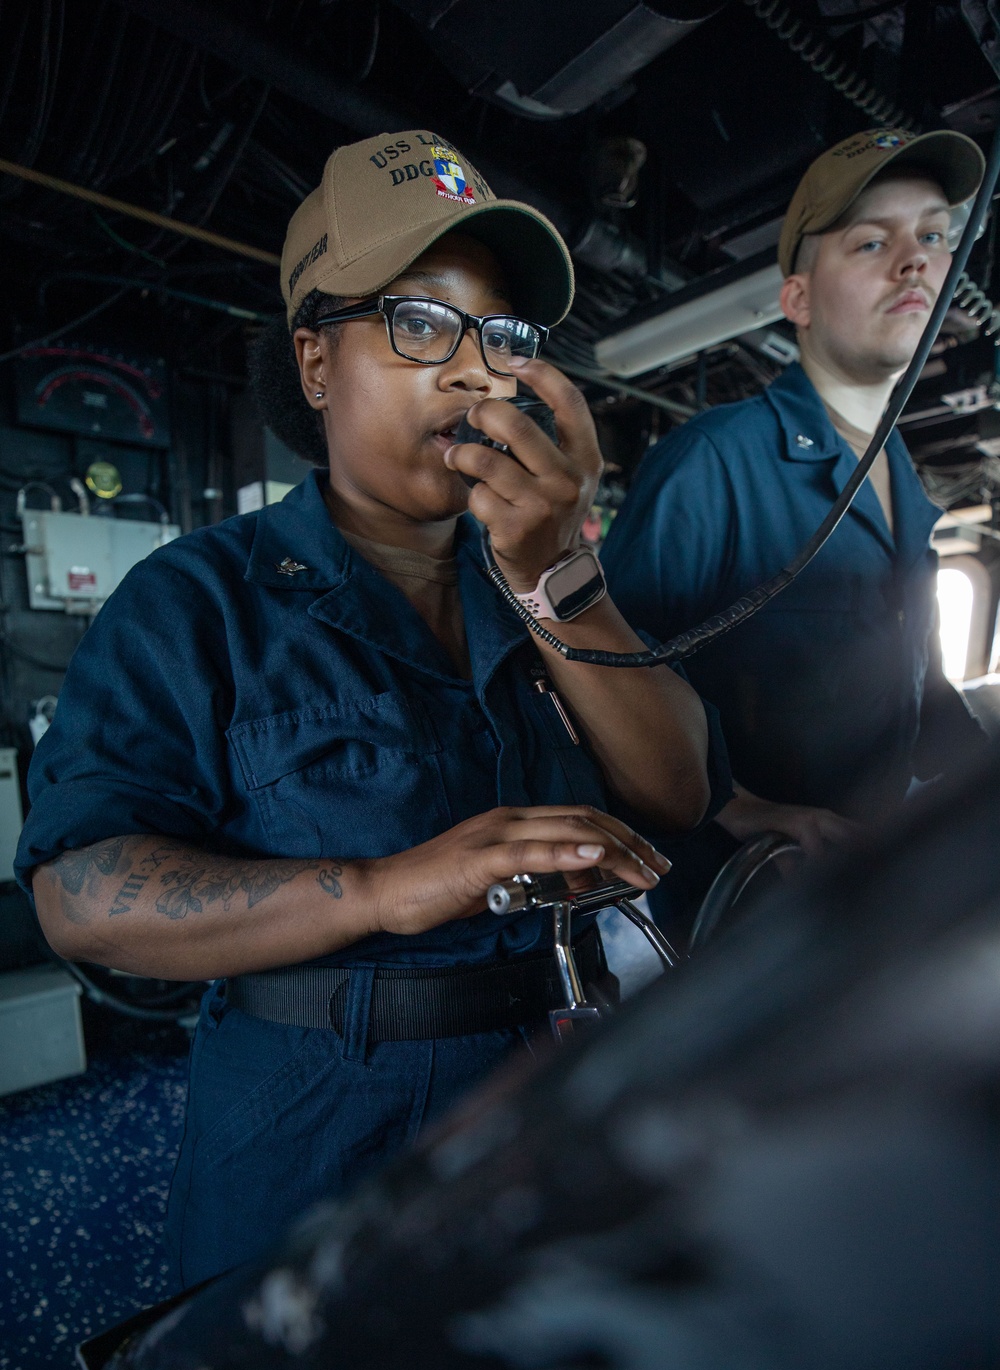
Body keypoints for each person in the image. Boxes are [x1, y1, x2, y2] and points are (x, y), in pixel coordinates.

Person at [15, 130, 729, 1287]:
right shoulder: (196, 602)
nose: (473, 371)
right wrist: (388, 888)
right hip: (318, 1128)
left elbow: (676, 791)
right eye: (420, 322)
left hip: (556, 1094)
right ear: (313, 362)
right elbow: (80, 898)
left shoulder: (545, 580)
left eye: (500, 335)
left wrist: (562, 574)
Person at [600, 126, 988, 940]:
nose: (914, 260)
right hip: (743, 925)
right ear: (799, 300)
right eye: (871, 241)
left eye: (933, 237)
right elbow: (605, 689)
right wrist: (737, 808)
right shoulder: (710, 463)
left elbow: (912, 679)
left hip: (878, 906)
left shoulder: (902, 479)